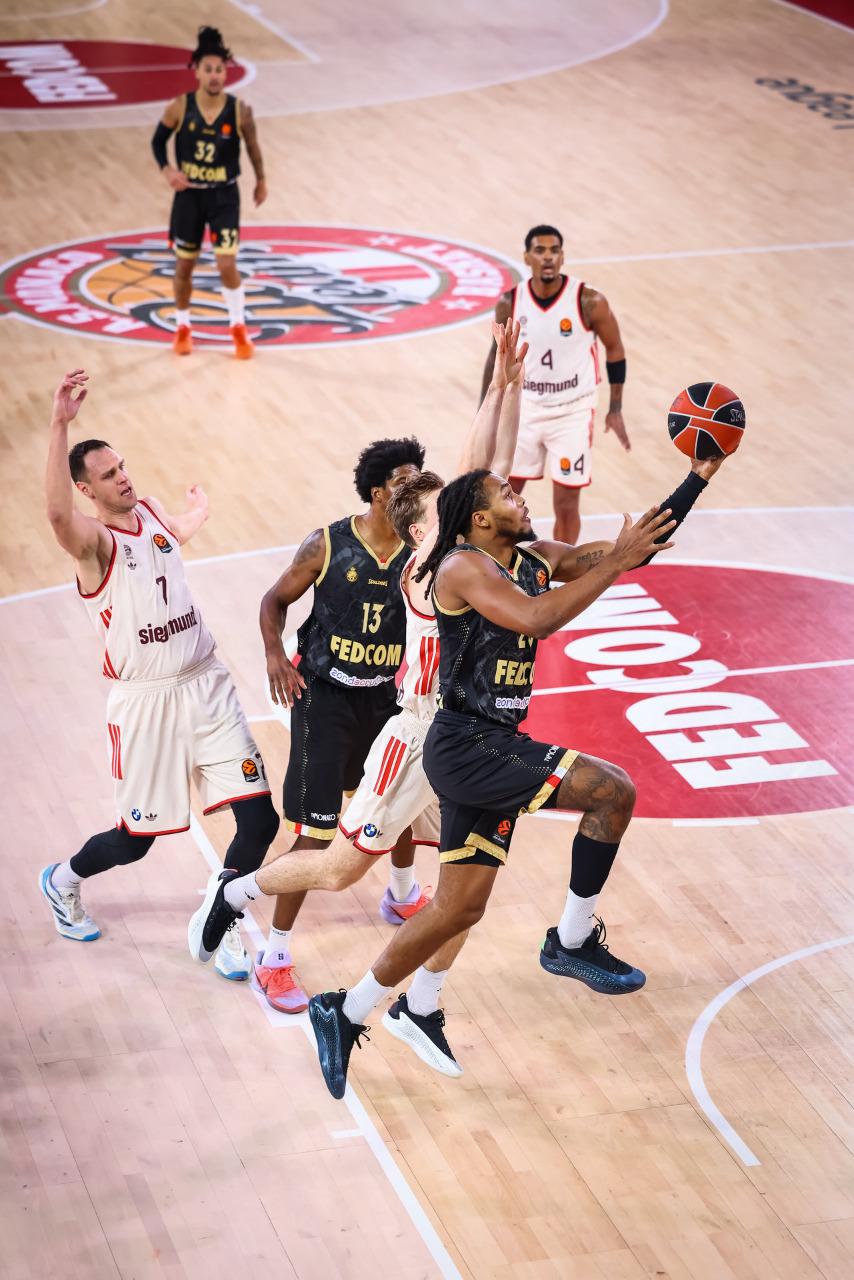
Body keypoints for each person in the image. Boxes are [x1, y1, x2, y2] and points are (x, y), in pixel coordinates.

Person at [306, 449, 727, 1097]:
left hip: (491, 742)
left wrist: (696, 478)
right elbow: (538, 618)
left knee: (457, 909)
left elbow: (632, 549)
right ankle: (571, 942)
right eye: (507, 493)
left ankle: (351, 1008)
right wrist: (614, 563)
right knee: (612, 791)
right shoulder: (460, 567)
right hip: (467, 745)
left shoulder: (534, 560)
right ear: (479, 518)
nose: (521, 497)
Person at [188, 320, 527, 1078]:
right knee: (333, 859)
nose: (461, 500)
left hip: (451, 725)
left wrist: (503, 388)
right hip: (399, 720)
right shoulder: (425, 561)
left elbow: (484, 467)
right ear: (419, 523)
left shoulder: (450, 542)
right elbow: (478, 470)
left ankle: (421, 1001)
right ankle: (246, 906)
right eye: (439, 502)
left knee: (459, 887)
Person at [38, 369, 280, 982]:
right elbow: (57, 516)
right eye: (108, 475)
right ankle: (62, 880)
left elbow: (172, 537)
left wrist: (198, 512)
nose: (123, 477)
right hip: (147, 704)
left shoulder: (148, 513)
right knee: (134, 842)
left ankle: (220, 919)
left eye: (122, 466)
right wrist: (59, 423)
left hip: (207, 684)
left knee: (261, 820)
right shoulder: (93, 545)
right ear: (86, 489)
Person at [243, 436, 427, 1014]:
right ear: (378, 493)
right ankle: (273, 957)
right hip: (322, 699)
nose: (417, 488)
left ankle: (400, 894)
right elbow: (273, 601)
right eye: (404, 480)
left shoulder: (422, 549)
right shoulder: (327, 543)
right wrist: (275, 655)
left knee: (395, 803)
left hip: (383, 698)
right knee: (316, 836)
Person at [481, 224, 630, 545]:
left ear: (562, 256)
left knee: (565, 505)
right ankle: (498, 565)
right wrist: (485, 413)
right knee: (502, 498)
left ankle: (562, 570)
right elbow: (496, 356)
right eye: (540, 251)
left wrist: (615, 408)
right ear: (527, 257)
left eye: (554, 250)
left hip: (572, 413)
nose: (547, 257)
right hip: (523, 410)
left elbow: (615, 349)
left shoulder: (589, 301)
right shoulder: (510, 302)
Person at [151, 26, 267, 359]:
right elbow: (158, 141)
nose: (215, 75)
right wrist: (168, 170)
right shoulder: (180, 106)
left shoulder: (239, 110)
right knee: (184, 266)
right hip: (190, 197)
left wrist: (261, 180)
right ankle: (183, 327)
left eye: (219, 69)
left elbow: (253, 146)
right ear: (197, 72)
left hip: (224, 196)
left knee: (226, 264)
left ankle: (238, 326)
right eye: (209, 69)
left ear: (226, 73)